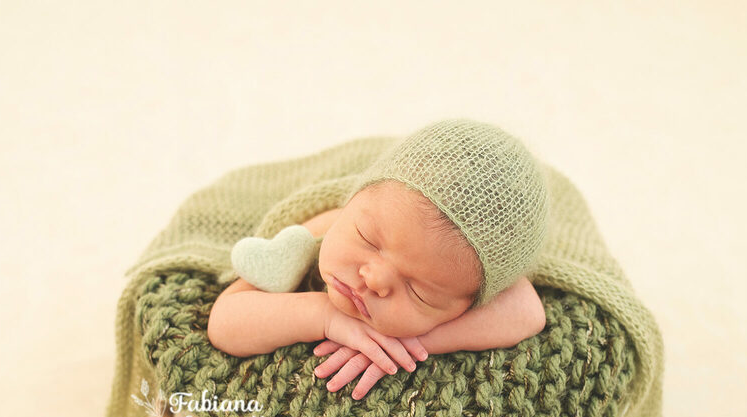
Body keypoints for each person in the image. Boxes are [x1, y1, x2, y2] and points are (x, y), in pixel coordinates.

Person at [208, 118, 550, 399]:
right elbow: (225, 322)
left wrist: (411, 341)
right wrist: (324, 316)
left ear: (468, 306)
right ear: (352, 203)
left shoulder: (465, 266)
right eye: (368, 240)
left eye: (418, 292)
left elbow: (527, 311)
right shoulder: (325, 231)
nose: (374, 280)